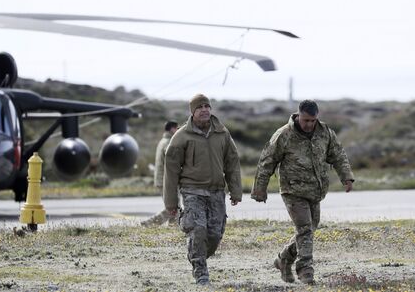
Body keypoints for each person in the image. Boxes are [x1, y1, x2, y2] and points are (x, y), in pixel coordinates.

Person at [251, 100, 355, 285]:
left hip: (315, 191)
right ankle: (306, 270)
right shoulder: (284, 134)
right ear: (298, 115)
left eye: (313, 120)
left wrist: (346, 177)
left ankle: (283, 258)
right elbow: (267, 161)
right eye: (306, 120)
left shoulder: (325, 133)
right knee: (305, 229)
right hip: (292, 191)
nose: (309, 124)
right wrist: (260, 188)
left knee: (308, 230)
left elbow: (338, 155)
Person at [163, 94, 242, 285]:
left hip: (216, 191)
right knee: (198, 230)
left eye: (207, 106)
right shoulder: (181, 136)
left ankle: (195, 254)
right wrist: (171, 202)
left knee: (214, 235)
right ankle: (201, 273)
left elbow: (232, 162)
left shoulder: (222, 133)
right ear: (192, 112)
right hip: (192, 191)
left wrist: (236, 191)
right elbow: (171, 170)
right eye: (200, 107)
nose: (205, 109)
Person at [141, 120, 179, 227]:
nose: (178, 131)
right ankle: (150, 223)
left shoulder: (163, 141)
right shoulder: (168, 143)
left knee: (174, 207)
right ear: (172, 129)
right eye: (177, 128)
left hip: (162, 179)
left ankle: (174, 227)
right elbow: (173, 161)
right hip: (166, 180)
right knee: (173, 207)